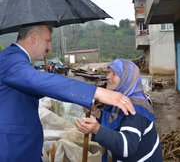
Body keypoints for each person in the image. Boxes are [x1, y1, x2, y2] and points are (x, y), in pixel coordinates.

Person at [0, 25, 135, 162]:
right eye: (48, 41)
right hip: (12, 149)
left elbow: (35, 87)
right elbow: (36, 81)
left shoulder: (17, 60)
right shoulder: (11, 59)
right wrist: (96, 92)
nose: (50, 47)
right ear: (34, 37)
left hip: (23, 146)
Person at [76, 59, 163, 162]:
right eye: (108, 72)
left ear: (126, 78)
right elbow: (118, 121)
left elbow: (127, 146)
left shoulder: (135, 108)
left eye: (114, 74)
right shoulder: (122, 100)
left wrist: (97, 130)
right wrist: (98, 113)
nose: (108, 77)